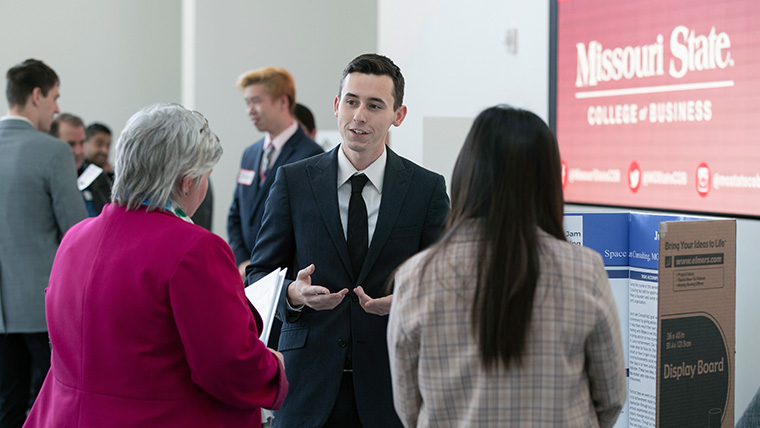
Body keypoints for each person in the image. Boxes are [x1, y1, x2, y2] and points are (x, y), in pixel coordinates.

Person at [24, 104, 288, 427]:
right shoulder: (195, 249)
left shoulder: (76, 238)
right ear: (188, 182)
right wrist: (274, 370)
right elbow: (227, 364)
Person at [387, 105, 627, 428]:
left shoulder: (416, 276)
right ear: (548, 182)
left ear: (467, 177)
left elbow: (408, 407)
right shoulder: (584, 270)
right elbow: (611, 399)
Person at [247, 53, 450, 428]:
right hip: (306, 384)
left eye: (375, 106)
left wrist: (407, 301)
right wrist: (293, 293)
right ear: (337, 106)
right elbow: (258, 275)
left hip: (391, 384)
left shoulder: (426, 189)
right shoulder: (294, 181)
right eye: (352, 102)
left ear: (398, 115)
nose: (359, 115)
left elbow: (446, 284)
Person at [0, 59, 87, 427]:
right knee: (47, 408)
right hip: (44, 308)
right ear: (36, 95)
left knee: (5, 407)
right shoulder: (52, 151)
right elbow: (78, 234)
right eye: (54, 98)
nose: (56, 109)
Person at [227, 66, 323, 279]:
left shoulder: (311, 156)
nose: (250, 110)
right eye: (247, 103)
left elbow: (307, 227)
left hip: (283, 277)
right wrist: (243, 261)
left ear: (283, 101)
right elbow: (236, 214)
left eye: (256, 101)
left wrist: (262, 264)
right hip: (248, 275)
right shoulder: (250, 154)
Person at [50, 113, 112, 216]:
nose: (78, 151)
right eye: (71, 144)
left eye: (82, 143)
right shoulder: (46, 183)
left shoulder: (98, 178)